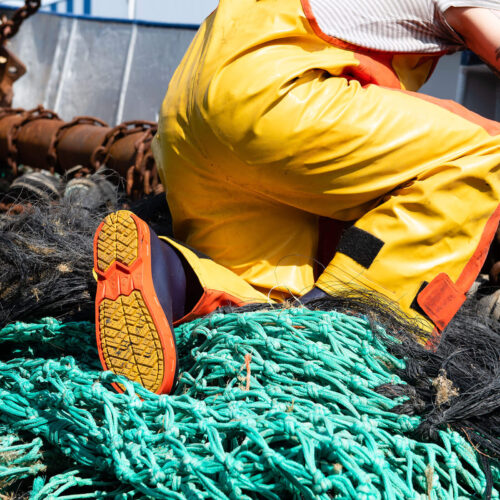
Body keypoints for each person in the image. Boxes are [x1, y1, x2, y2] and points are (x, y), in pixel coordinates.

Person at [93, 0, 500, 395]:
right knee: (485, 152)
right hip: (277, 99)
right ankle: (351, 334)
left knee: (266, 303)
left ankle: (172, 279)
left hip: (191, 113)